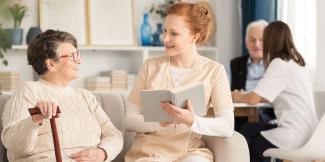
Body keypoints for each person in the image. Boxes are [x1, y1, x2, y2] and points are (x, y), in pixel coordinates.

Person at [125, 2, 234, 162]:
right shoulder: (150, 67)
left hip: (190, 152)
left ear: (194, 37)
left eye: (174, 33)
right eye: (165, 31)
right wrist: (158, 122)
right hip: (150, 154)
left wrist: (192, 121)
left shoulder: (214, 71)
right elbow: (129, 120)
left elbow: (227, 126)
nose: (165, 38)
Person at [1, 30, 123, 162]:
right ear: (51, 64)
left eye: (78, 55)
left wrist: (103, 152)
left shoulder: (85, 96)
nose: (80, 61)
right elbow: (13, 145)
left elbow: (114, 135)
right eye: (73, 56)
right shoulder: (28, 91)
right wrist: (35, 119)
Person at [232, 21, 319, 162]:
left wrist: (237, 96)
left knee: (251, 140)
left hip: (295, 133)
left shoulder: (279, 64)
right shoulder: (296, 64)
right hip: (311, 132)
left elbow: (254, 98)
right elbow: (269, 96)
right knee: (249, 130)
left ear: (269, 40)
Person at [230, 20, 275, 130]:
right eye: (252, 40)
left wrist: (242, 97)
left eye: (261, 40)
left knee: (249, 128)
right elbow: (223, 91)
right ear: (246, 43)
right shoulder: (235, 64)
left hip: (268, 114)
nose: (257, 44)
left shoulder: (275, 64)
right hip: (238, 114)